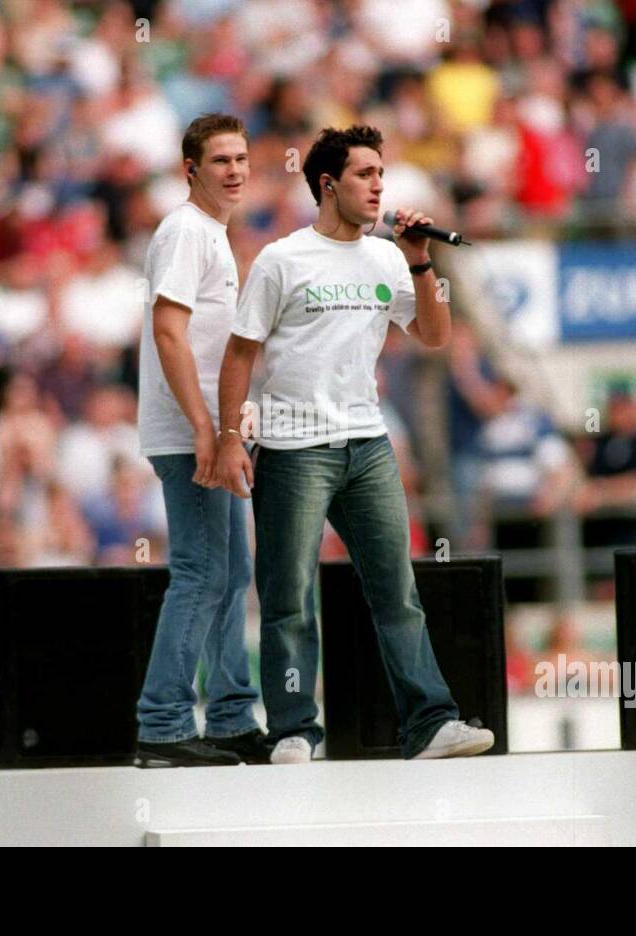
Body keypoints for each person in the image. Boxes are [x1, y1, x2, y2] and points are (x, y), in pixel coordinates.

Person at [215, 125, 496, 764]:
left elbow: (432, 334)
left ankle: (431, 723)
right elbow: (240, 352)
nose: (378, 186)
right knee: (288, 596)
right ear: (327, 184)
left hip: (367, 444)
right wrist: (232, 435)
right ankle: (293, 729)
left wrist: (421, 259)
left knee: (396, 588)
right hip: (293, 448)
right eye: (364, 175)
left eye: (381, 174)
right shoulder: (282, 259)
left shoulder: (388, 257)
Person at [132, 114, 264, 767]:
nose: (235, 170)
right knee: (202, 572)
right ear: (191, 169)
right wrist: (208, 431)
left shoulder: (208, 232)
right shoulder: (187, 230)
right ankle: (162, 723)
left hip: (207, 429)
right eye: (220, 161)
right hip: (193, 433)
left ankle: (234, 715)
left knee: (231, 571)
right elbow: (168, 331)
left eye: (241, 158)